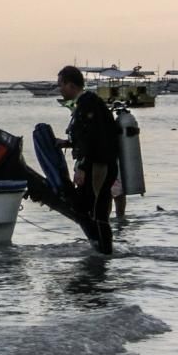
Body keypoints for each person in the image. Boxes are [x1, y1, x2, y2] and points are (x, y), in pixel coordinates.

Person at [56, 64, 120, 254]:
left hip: (99, 165)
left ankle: (105, 254)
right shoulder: (84, 104)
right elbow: (84, 137)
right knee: (86, 206)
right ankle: (100, 247)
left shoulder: (88, 104)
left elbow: (93, 137)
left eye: (61, 84)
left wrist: (83, 167)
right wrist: (66, 143)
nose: (59, 89)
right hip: (94, 163)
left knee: (98, 208)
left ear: (71, 85)